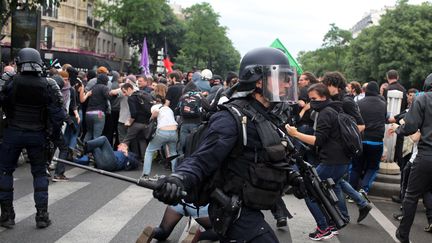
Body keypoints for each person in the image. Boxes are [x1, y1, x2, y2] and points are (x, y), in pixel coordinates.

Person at [152, 47, 305, 242]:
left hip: (251, 205)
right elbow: (202, 159)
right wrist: (178, 178)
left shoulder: (269, 115)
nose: (287, 83)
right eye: (281, 77)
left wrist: (294, 177)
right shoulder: (231, 118)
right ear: (258, 81)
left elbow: (271, 156)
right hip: (233, 209)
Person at [0, 48, 66, 229]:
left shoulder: (10, 81)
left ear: (20, 62)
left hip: (12, 133)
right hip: (37, 135)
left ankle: (6, 216)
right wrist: (53, 137)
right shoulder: (49, 83)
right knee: (39, 174)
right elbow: (58, 115)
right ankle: (42, 216)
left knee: (5, 172)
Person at [390, 73, 432, 243]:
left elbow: (410, 126)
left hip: (427, 154)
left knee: (411, 195)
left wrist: (398, 129)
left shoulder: (423, 99)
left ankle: (403, 233)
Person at [350, 81, 387, 193]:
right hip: (376, 141)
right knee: (372, 167)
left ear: (365, 91)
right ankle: (363, 190)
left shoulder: (359, 103)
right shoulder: (383, 104)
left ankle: (351, 192)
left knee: (356, 167)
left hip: (360, 139)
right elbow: (385, 118)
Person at [141, 84, 178, 179]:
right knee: (173, 153)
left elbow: (154, 116)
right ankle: (175, 174)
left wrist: (152, 116)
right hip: (174, 132)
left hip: (162, 131)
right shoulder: (169, 108)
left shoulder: (155, 107)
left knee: (149, 151)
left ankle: (145, 174)